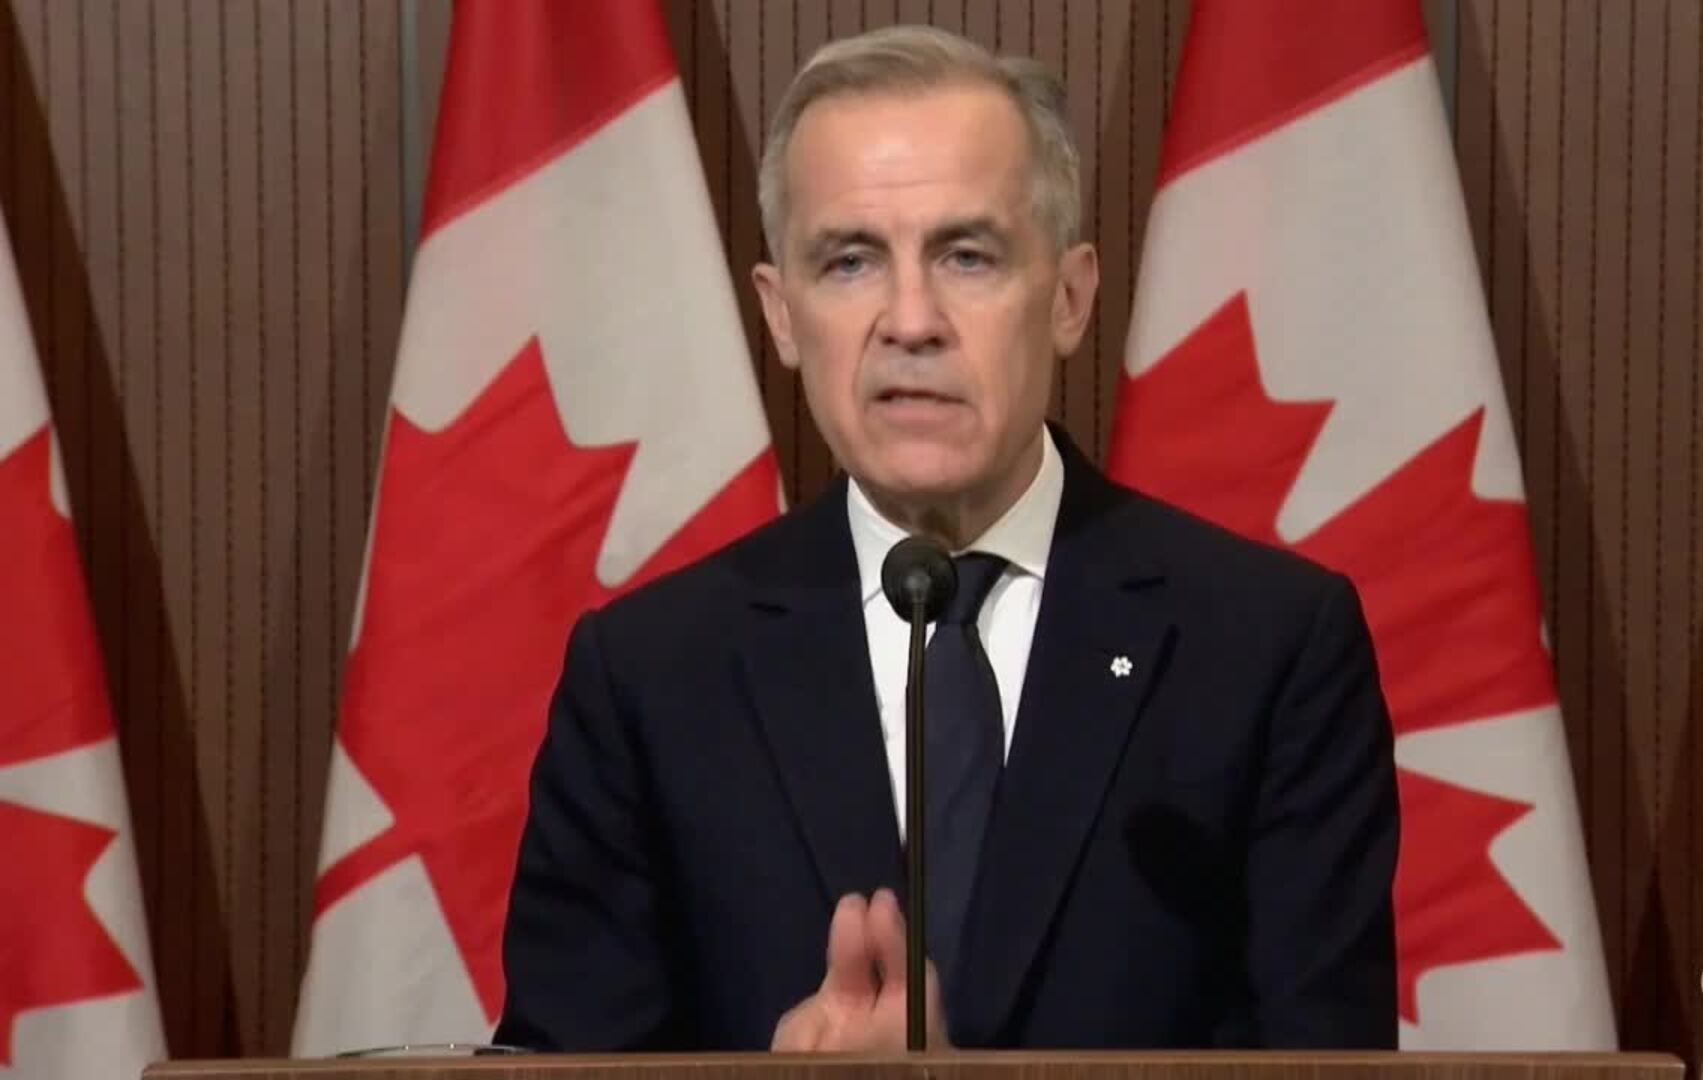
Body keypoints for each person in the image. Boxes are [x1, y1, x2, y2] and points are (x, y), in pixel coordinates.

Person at [492, 24, 1399, 1053]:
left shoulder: (1266, 649)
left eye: (967, 256)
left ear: (1069, 298)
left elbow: (1327, 1067)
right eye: (850, 262)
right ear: (781, 316)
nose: (911, 320)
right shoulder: (650, 676)